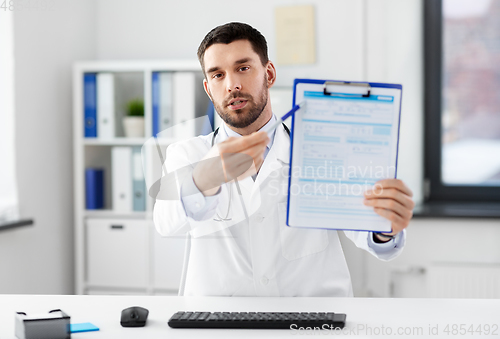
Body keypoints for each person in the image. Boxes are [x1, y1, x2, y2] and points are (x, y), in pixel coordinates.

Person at [153, 22, 415, 297]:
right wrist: (204, 178)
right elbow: (166, 223)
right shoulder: (186, 154)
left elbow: (368, 232)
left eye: (243, 68)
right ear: (209, 89)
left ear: (269, 74)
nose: (232, 85)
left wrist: (385, 228)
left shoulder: (322, 148)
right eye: (218, 75)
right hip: (221, 323)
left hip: (312, 320)